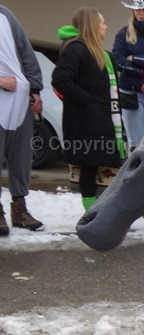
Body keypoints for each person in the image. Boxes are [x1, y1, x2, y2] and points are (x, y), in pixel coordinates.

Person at [52, 7, 127, 212]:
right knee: (90, 165)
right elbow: (60, 79)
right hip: (87, 121)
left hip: (102, 119)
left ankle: (102, 208)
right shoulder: (77, 49)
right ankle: (91, 209)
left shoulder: (102, 55)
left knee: (100, 164)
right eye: (102, 22)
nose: (105, 26)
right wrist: (88, 101)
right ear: (92, 25)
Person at [0, 5, 44, 235]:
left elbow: (25, 51)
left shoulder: (5, 14)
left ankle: (19, 208)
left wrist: (35, 88)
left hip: (18, 98)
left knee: (21, 157)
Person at [112, 0, 144, 150]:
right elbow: (118, 61)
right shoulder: (124, 33)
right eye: (137, 10)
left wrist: (133, 59)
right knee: (136, 144)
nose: (140, 13)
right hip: (130, 93)